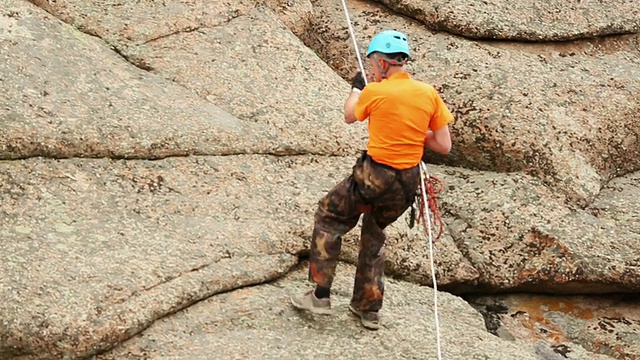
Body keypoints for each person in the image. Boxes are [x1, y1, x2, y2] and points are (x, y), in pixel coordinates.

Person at [291, 29, 454, 330]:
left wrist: (357, 87)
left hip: (374, 174)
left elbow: (350, 115)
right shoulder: (428, 93)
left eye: (372, 65)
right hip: (407, 182)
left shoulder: (375, 91)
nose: (370, 70)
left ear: (381, 63)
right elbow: (444, 145)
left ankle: (320, 294)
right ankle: (369, 309)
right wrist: (414, 132)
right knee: (375, 233)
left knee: (329, 216)